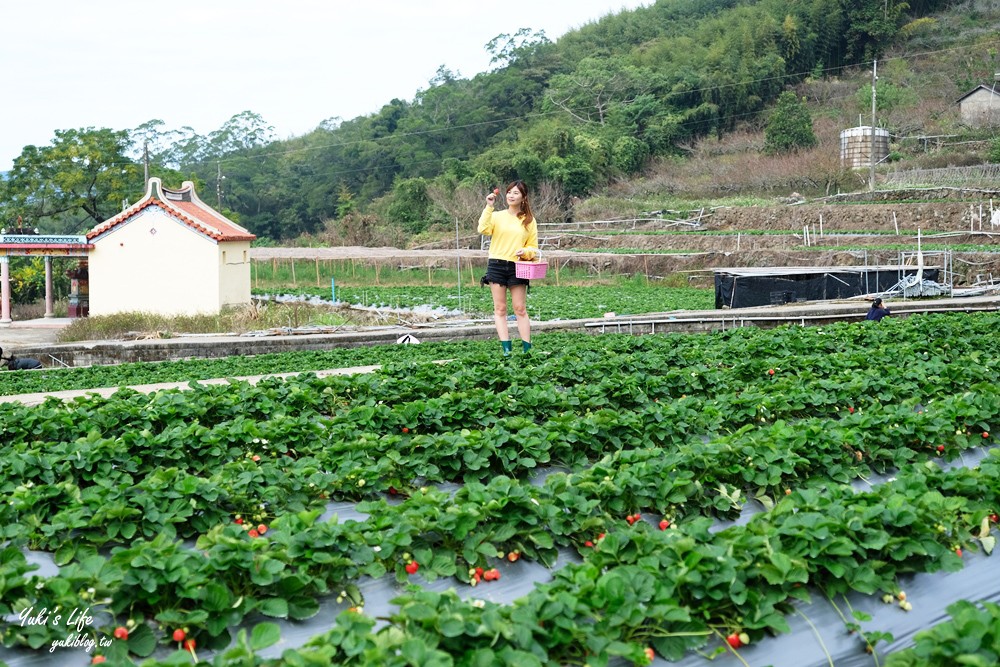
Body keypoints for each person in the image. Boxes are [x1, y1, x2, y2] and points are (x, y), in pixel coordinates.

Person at [478, 180, 539, 356]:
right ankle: (506, 350)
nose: (511, 196)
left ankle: (527, 349)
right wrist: (489, 207)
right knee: (500, 309)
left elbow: (533, 247)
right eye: (509, 192)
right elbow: (482, 228)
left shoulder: (528, 220)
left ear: (523, 198)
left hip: (517, 266)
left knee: (520, 308)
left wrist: (525, 251)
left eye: (516, 193)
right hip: (496, 264)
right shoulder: (496, 216)